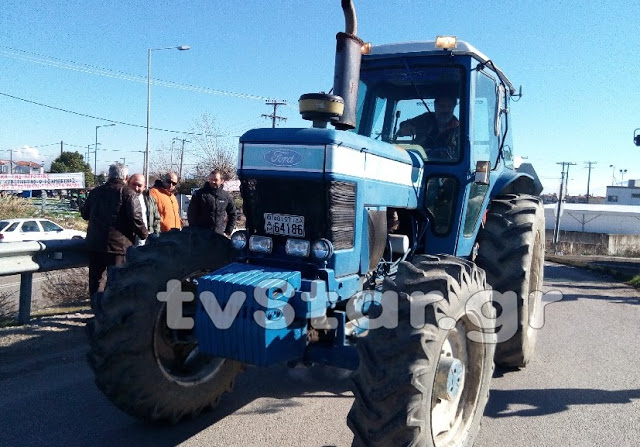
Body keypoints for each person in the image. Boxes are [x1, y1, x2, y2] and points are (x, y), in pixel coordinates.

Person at [81, 163, 148, 297]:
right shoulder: (128, 193)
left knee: (96, 281)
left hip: (95, 244)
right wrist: (144, 234)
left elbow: (85, 214)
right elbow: (136, 218)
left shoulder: (96, 192)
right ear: (126, 177)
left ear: (109, 175)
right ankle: (111, 314)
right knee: (116, 282)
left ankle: (97, 312)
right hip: (118, 246)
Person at [396, 94, 459, 159]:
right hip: (419, 161)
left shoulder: (459, 130)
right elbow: (404, 127)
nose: (445, 110)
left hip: (446, 166)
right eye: (442, 106)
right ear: (435, 106)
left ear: (453, 107)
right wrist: (406, 127)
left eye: (449, 106)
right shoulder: (426, 118)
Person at [187, 169, 237, 237]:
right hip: (202, 236)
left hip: (218, 236)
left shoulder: (226, 196)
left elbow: (233, 214)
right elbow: (191, 214)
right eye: (211, 179)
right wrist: (195, 231)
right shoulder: (200, 194)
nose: (212, 182)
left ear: (222, 181)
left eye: (215, 180)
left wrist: (228, 232)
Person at [127, 173, 161, 245]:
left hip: (146, 240)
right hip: (129, 240)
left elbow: (156, 219)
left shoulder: (149, 199)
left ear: (144, 187)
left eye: (139, 185)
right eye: (134, 184)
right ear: (128, 183)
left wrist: (155, 234)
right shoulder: (123, 198)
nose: (136, 188)